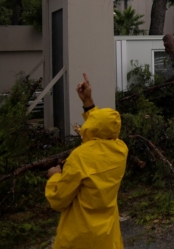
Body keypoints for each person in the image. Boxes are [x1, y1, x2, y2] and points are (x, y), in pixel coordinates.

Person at [45, 73, 128, 249]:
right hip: (107, 238)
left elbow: (58, 199)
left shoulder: (80, 156)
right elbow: (103, 128)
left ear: (91, 127)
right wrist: (88, 102)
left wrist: (54, 176)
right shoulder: (121, 149)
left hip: (79, 237)